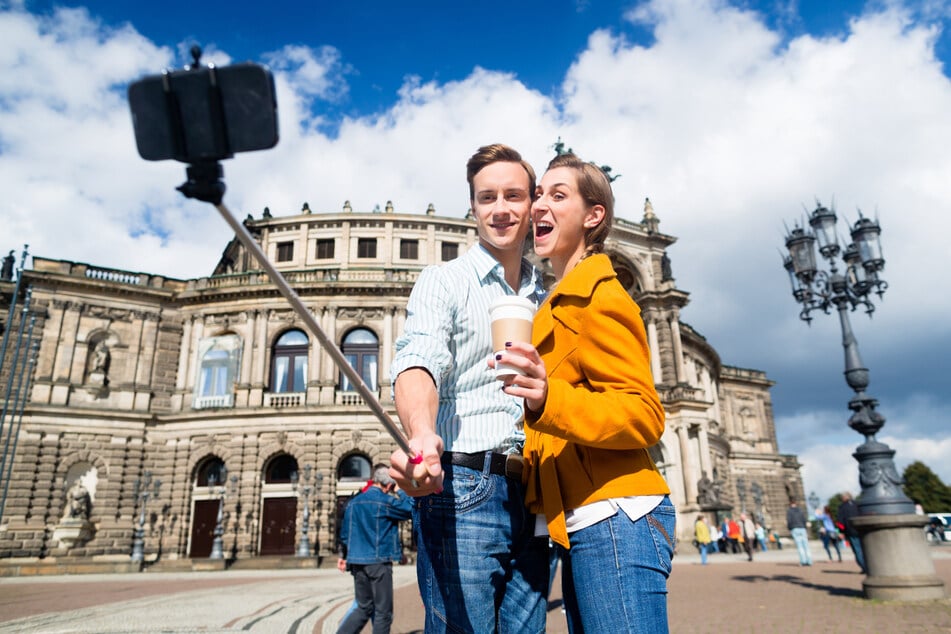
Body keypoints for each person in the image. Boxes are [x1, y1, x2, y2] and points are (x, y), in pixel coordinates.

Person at [493, 152, 675, 633]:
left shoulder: (601, 296)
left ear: (593, 216)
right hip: (585, 520)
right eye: (538, 196)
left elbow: (643, 415)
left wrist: (546, 398)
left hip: (616, 516)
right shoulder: (561, 297)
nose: (538, 207)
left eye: (558, 195)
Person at [388, 143, 549, 633]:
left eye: (513, 195)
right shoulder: (444, 281)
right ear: (474, 207)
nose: (500, 209)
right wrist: (420, 433)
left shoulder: (549, 293)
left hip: (539, 491)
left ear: (531, 203)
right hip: (464, 486)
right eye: (487, 197)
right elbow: (419, 358)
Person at [336, 465, 413, 634]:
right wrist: (401, 490)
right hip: (378, 563)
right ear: (389, 485)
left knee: (363, 607)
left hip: (357, 562)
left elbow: (345, 534)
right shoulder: (384, 501)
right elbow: (409, 509)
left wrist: (344, 555)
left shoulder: (353, 502)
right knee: (383, 612)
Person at [836, 491, 867, 573]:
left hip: (851, 531)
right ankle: (868, 566)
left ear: (843, 498)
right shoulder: (858, 504)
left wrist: (841, 532)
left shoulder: (842, 507)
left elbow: (840, 522)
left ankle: (864, 567)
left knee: (857, 550)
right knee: (865, 549)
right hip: (862, 529)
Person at [786, 499, 813, 566]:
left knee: (800, 546)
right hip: (802, 528)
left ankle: (803, 561)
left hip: (795, 529)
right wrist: (804, 527)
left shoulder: (789, 511)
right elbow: (804, 519)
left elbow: (789, 521)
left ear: (790, 504)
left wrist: (789, 528)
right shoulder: (800, 510)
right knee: (806, 545)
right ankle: (809, 561)